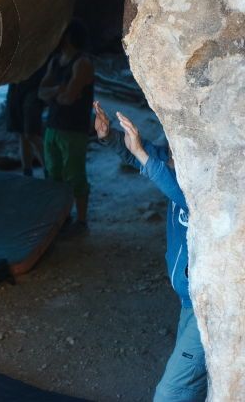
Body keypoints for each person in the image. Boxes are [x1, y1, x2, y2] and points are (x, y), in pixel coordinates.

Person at [94, 102, 206, 402]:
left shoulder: (201, 185)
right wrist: (109, 137)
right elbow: (140, 157)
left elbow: (182, 195)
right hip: (188, 302)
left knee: (172, 392)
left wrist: (143, 153)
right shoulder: (169, 164)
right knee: (198, 383)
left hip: (206, 306)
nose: (167, 154)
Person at [38, 20, 94, 235]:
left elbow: (68, 98)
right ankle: (63, 218)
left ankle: (81, 222)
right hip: (53, 125)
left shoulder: (82, 63)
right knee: (53, 172)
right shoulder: (56, 61)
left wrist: (55, 92)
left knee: (74, 174)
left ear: (68, 37)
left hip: (73, 128)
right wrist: (59, 90)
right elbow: (41, 93)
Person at [6, 62, 47, 176]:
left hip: (34, 85)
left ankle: (50, 170)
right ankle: (27, 173)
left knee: (31, 133)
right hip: (16, 86)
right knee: (22, 134)